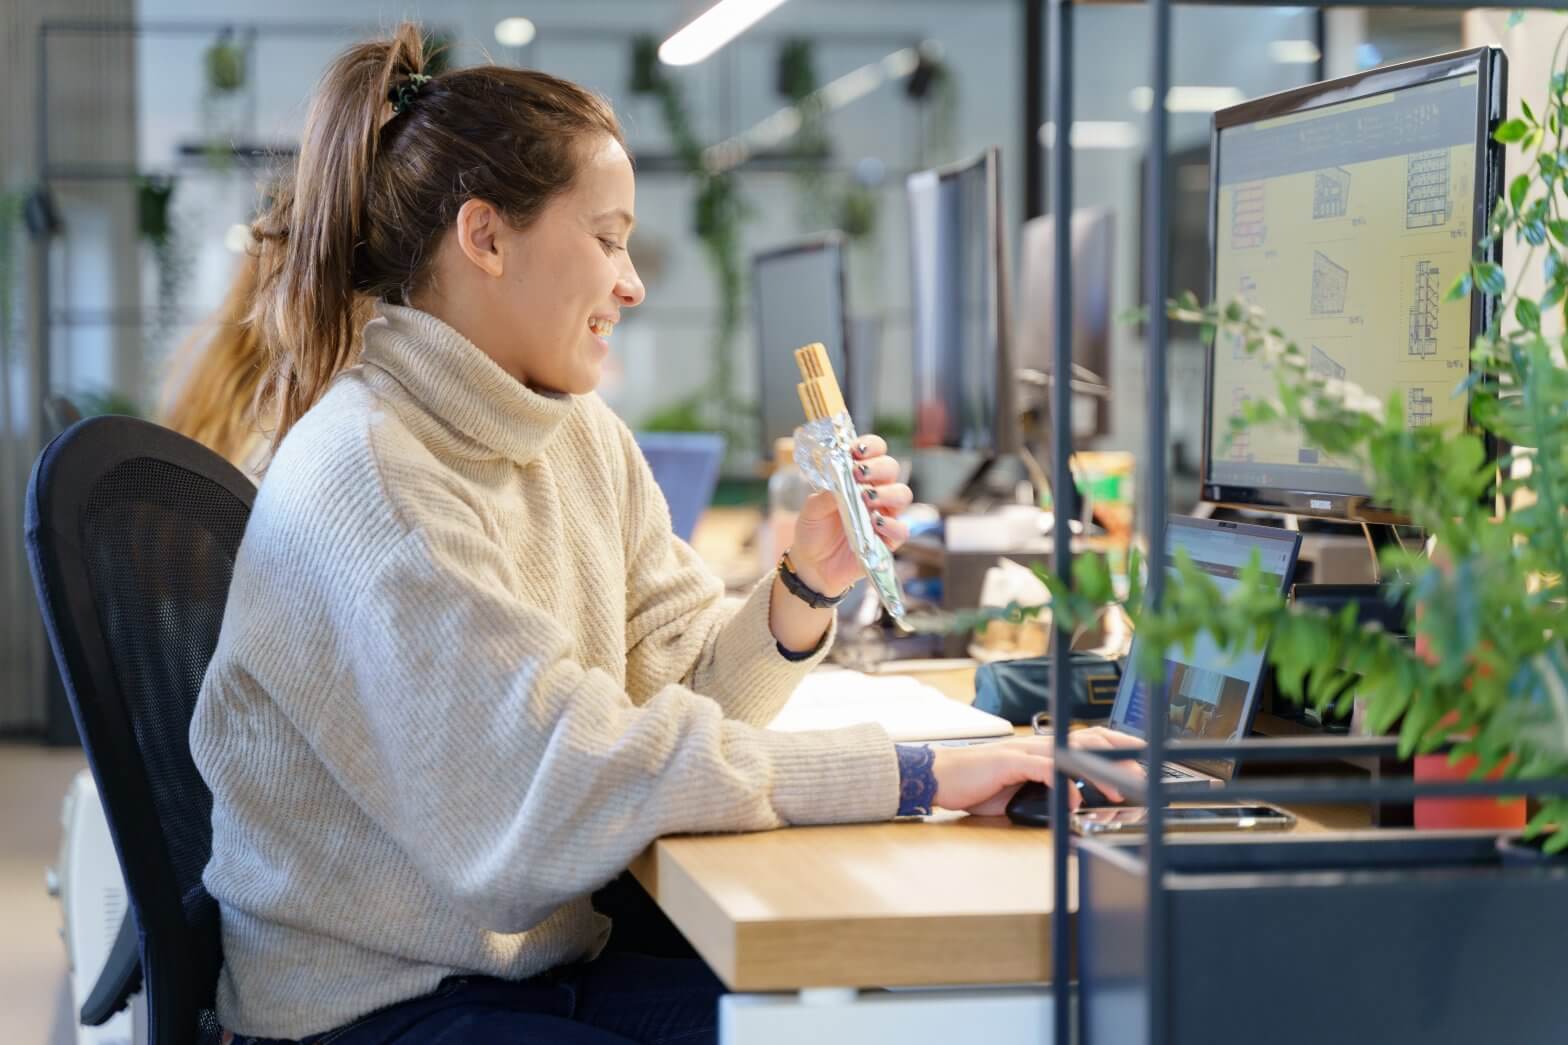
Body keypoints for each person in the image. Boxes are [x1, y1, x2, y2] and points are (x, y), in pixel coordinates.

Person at [191, 23, 1141, 1045]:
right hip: (374, 1009)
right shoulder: (374, 473)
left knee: (900, 1020)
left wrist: (800, 592)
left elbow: (675, 699)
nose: (632, 282)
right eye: (606, 239)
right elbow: (555, 790)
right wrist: (910, 774)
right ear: (487, 237)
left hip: (528, 965)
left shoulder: (573, 432)